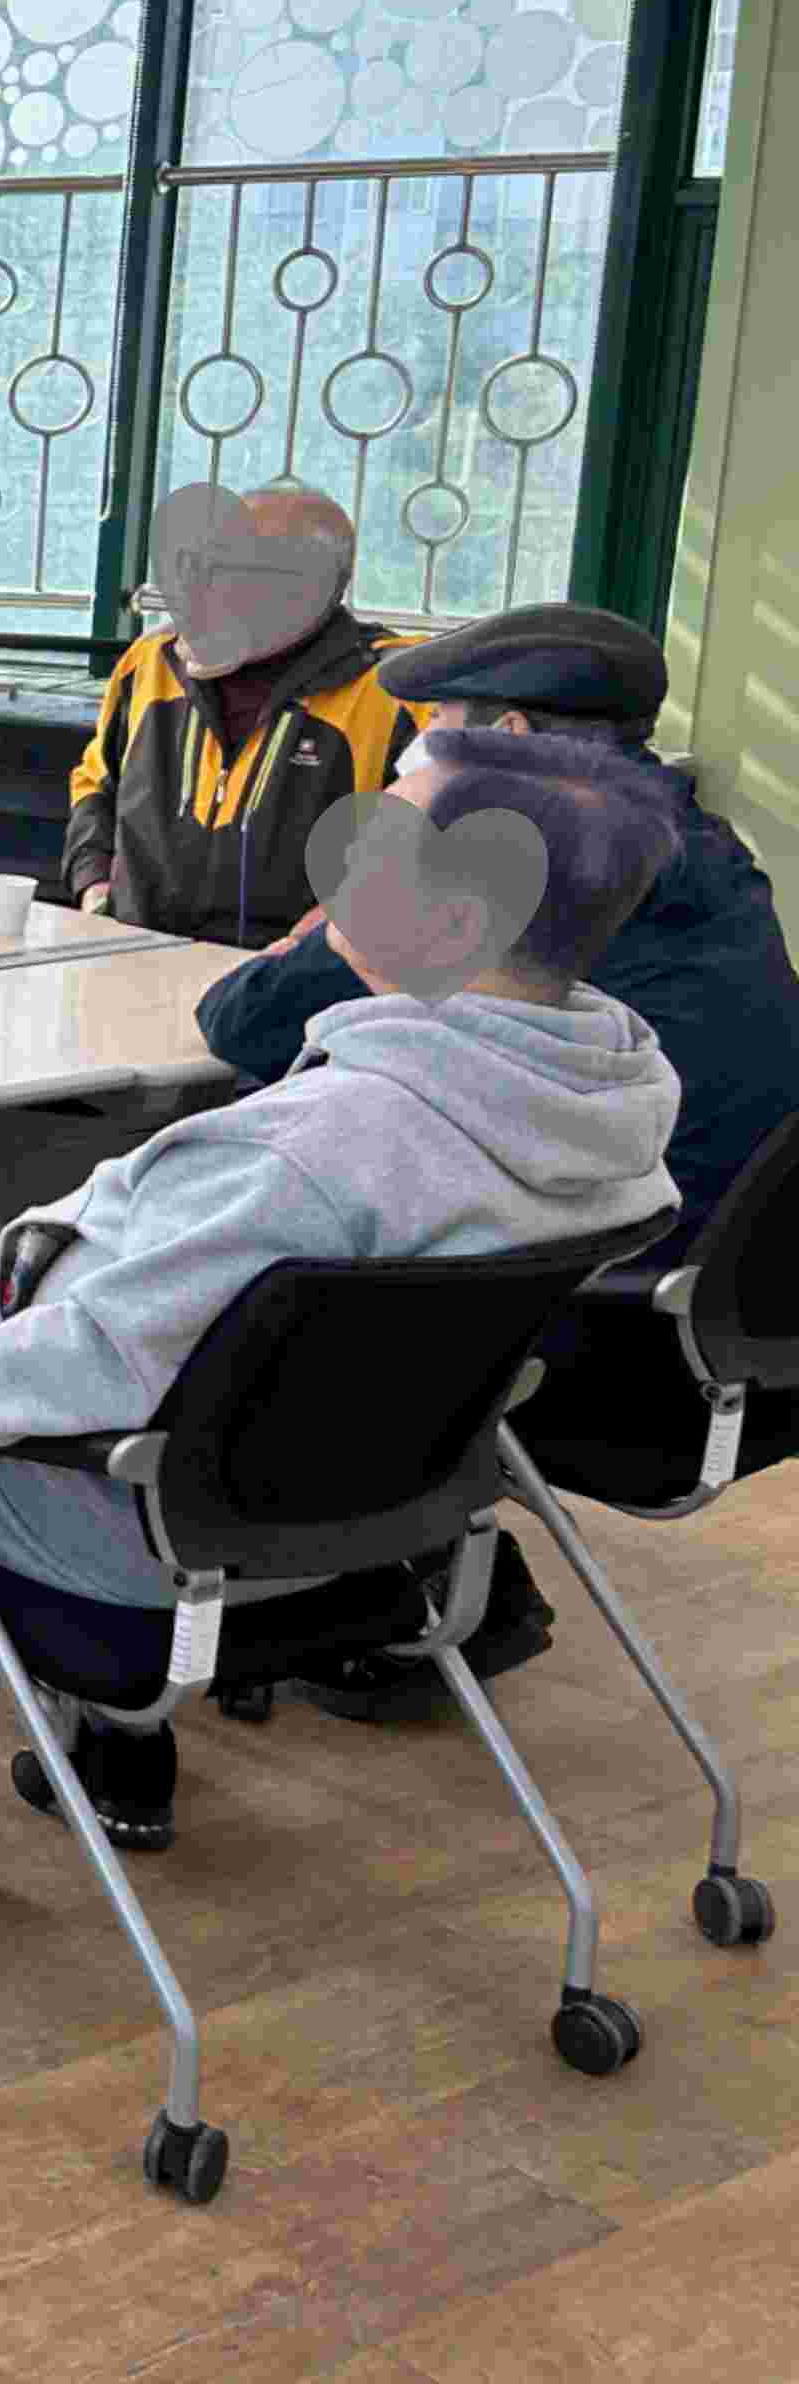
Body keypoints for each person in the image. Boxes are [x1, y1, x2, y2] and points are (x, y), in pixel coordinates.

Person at [0, 729, 683, 1872]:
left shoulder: (314, 1152)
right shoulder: (604, 1121)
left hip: (139, 1530)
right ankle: (115, 1745)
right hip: (369, 1528)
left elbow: (94, 1360)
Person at [194, 602, 799, 1717]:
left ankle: (363, 1592)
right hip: (738, 1340)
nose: (414, 755)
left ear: (507, 738)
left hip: (598, 1343)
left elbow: (243, 1021)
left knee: (257, 1260)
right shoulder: (702, 853)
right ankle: (440, 1582)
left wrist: (332, 928)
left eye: (433, 728)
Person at [65, 483, 423, 946]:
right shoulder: (150, 660)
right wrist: (94, 886)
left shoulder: (401, 687)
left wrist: (321, 938)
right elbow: (97, 781)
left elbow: (428, 846)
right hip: (132, 953)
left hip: (296, 975)